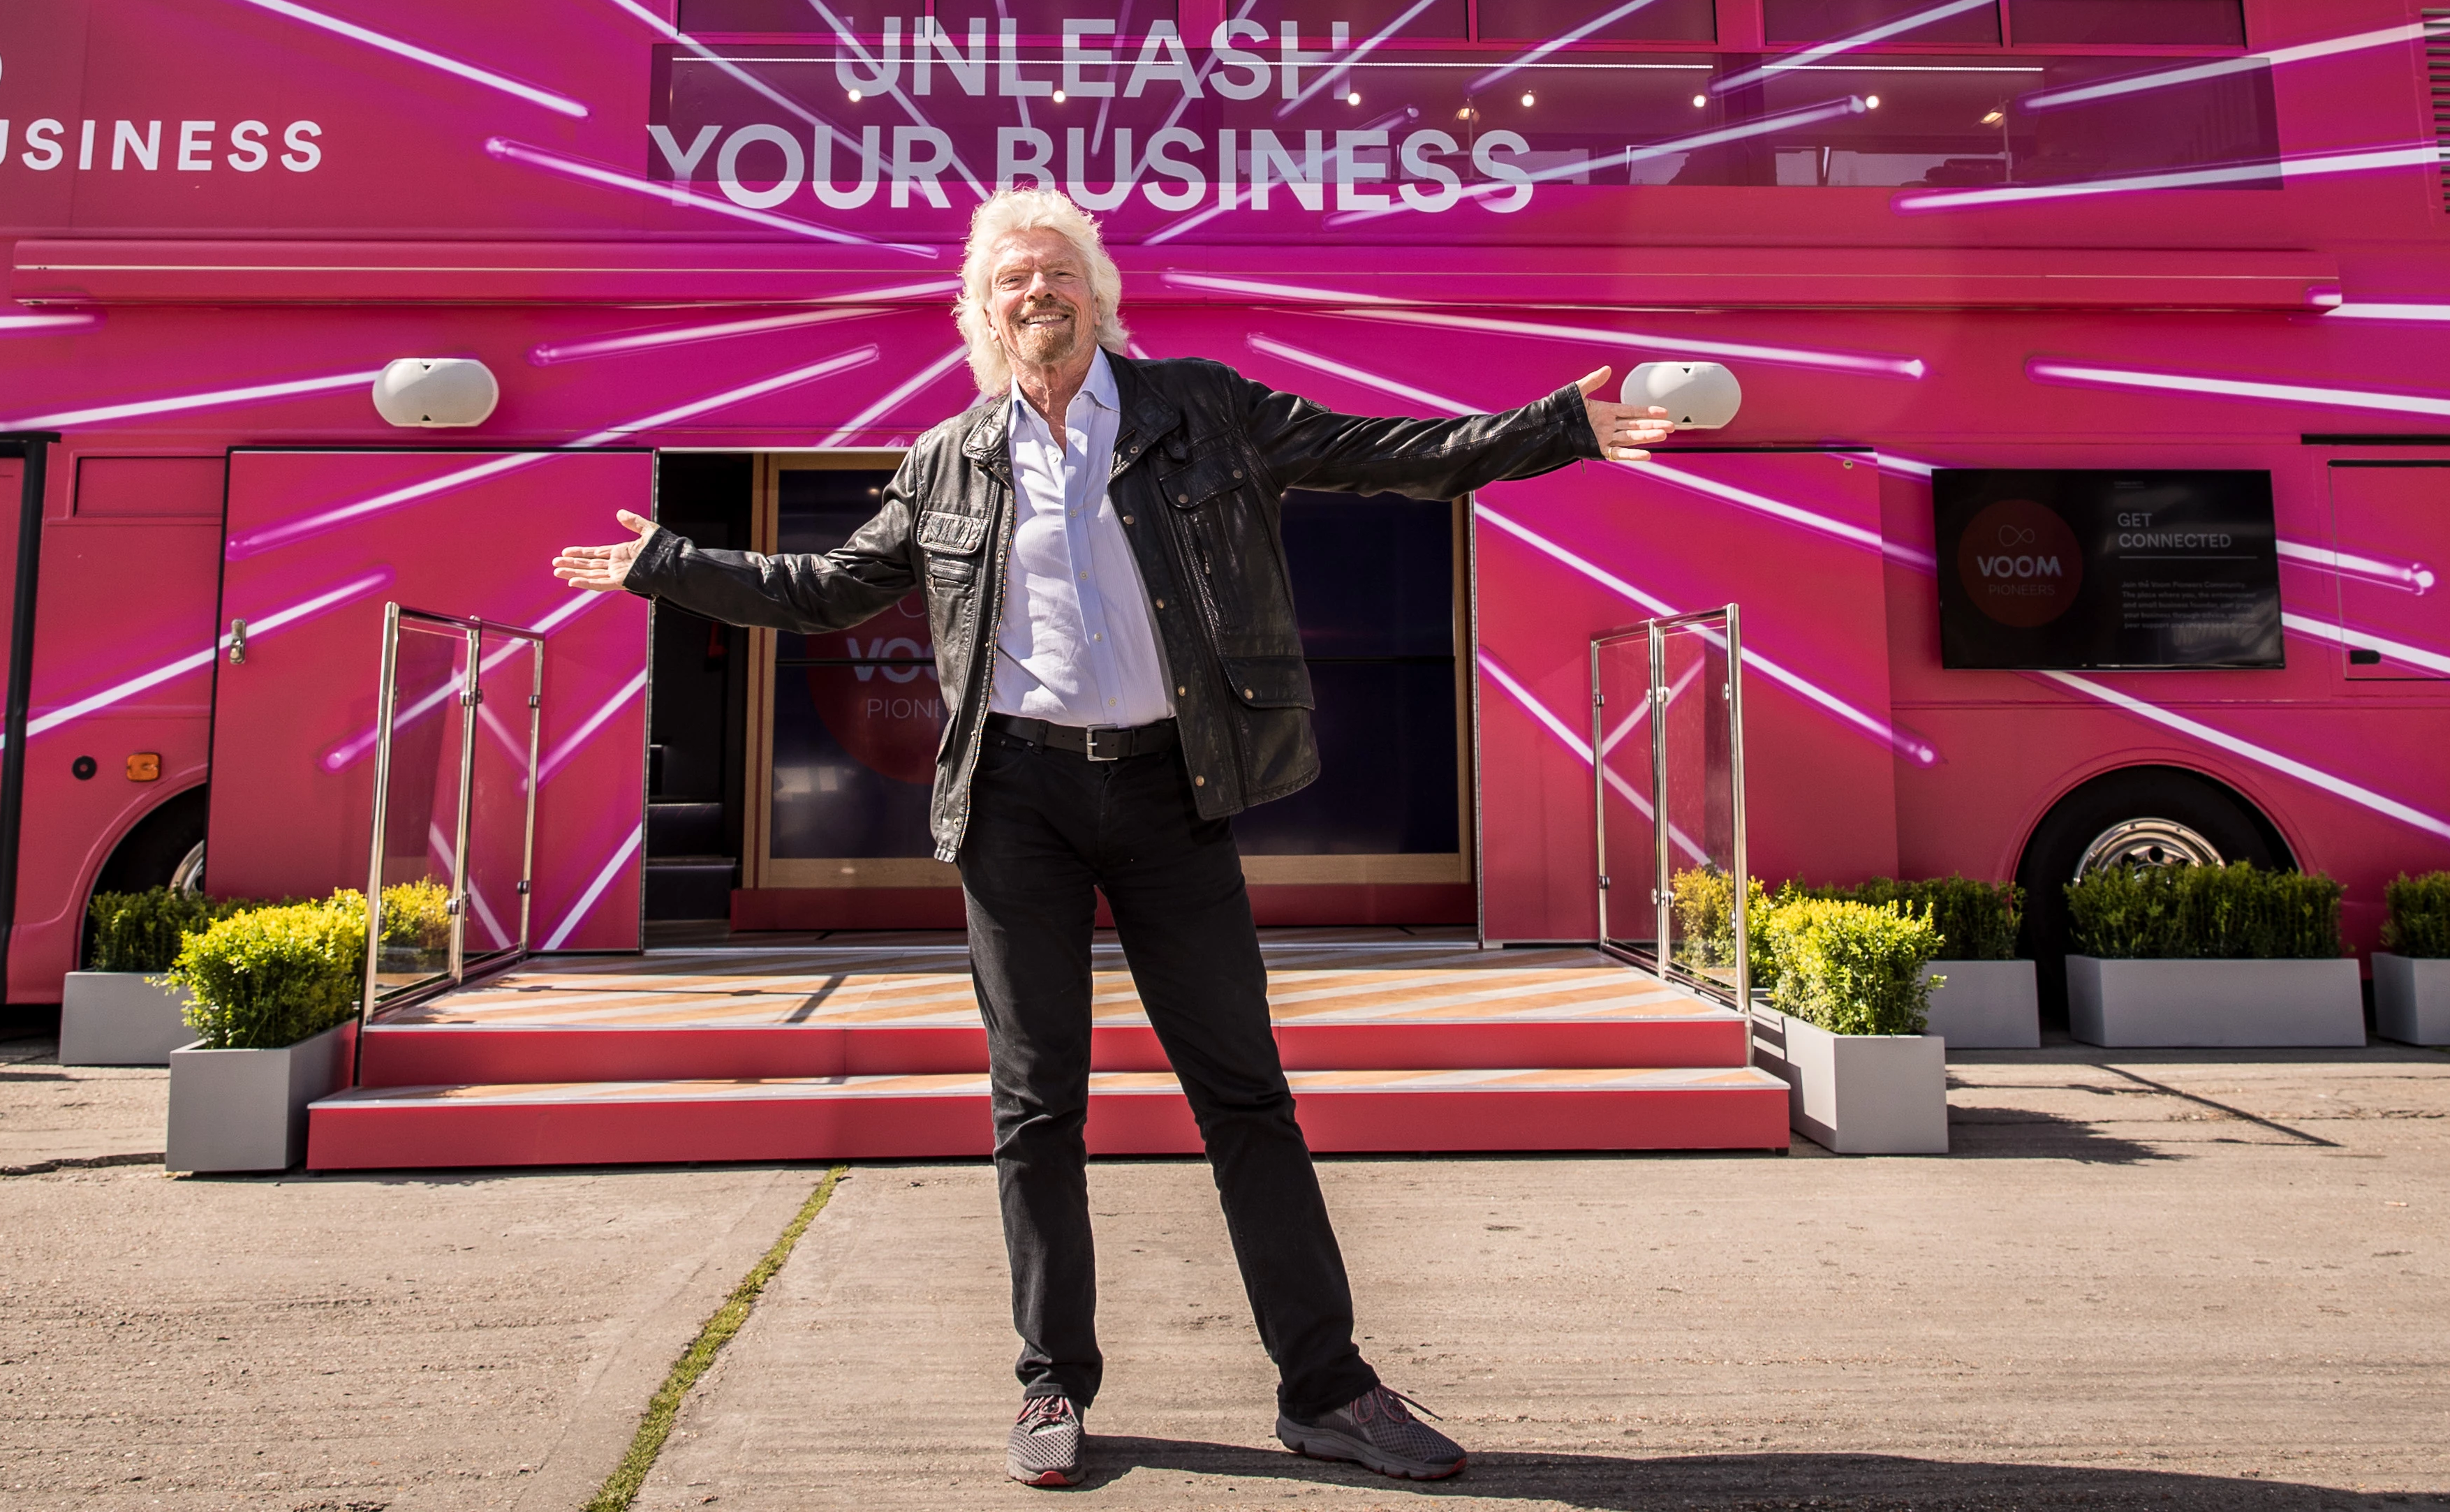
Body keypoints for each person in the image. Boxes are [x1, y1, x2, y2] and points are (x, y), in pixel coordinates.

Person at [554, 186, 1674, 1488]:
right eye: (1011, 281)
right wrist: (666, 564)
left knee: (1244, 1094)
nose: (1037, 293)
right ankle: (1051, 1383)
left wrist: (1557, 429)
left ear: (1097, 293)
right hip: (1017, 801)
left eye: (1057, 272)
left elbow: (1387, 450)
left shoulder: (1202, 410)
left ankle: (1327, 1388)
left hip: (1166, 791)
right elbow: (824, 589)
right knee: (1036, 1106)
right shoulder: (947, 460)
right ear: (981, 314)